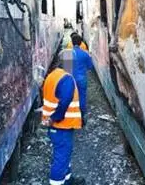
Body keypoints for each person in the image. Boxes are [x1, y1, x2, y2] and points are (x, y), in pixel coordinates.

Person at [41, 50, 85, 185]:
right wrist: (55, 118)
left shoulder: (52, 76)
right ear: (68, 63)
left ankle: (68, 180)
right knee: (61, 157)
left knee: (64, 155)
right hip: (61, 126)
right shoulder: (66, 78)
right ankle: (56, 182)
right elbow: (64, 102)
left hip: (56, 126)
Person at [66, 34, 94, 126]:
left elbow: (65, 68)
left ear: (72, 42)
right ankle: (81, 118)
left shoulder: (67, 53)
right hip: (81, 79)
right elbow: (90, 67)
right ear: (81, 43)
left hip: (70, 79)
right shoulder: (85, 54)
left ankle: (70, 118)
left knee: (70, 97)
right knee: (82, 97)